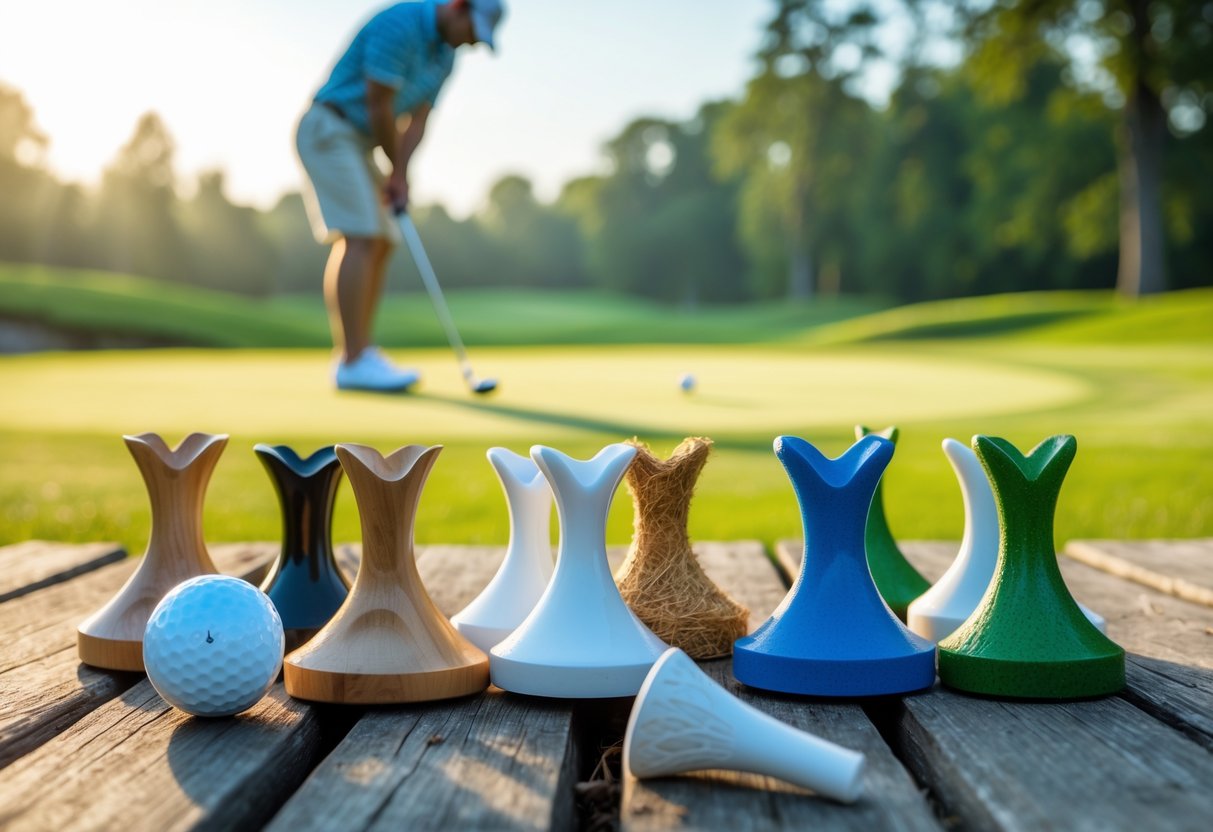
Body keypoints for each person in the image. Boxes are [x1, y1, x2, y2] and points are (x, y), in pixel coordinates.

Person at [296, 0, 505, 392]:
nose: (472, 44)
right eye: (472, 33)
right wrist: (395, 170)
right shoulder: (401, 23)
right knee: (361, 236)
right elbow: (380, 105)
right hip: (328, 128)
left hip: (360, 143)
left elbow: (419, 118)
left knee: (384, 239)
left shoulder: (446, 56)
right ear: (458, 7)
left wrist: (400, 173)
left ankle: (360, 353)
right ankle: (353, 360)